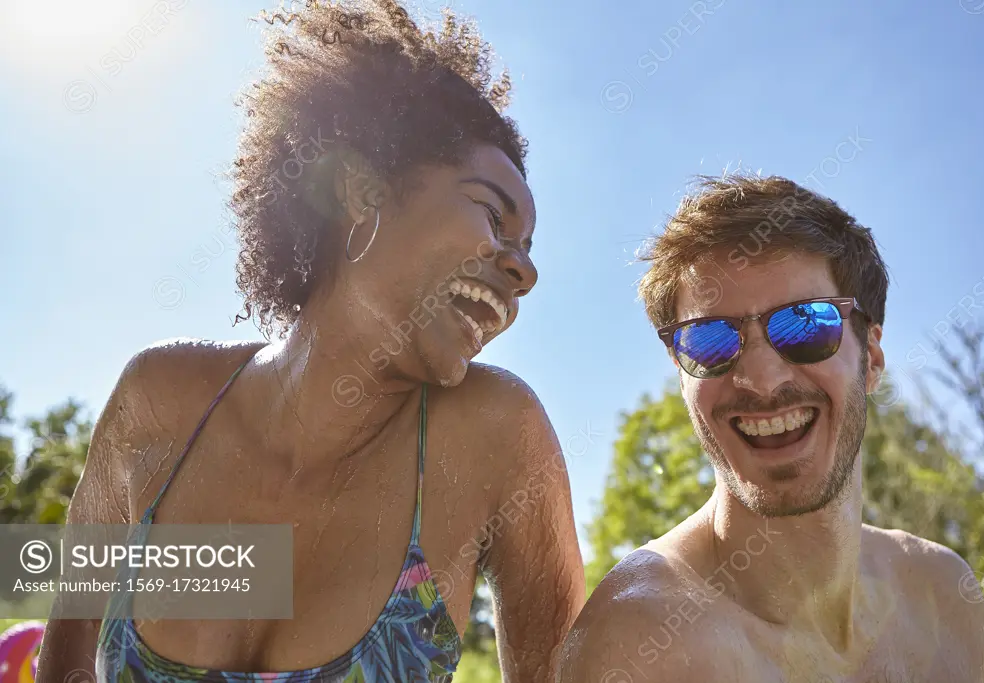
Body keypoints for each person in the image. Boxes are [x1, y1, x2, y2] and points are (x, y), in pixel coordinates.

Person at [35, 2, 585, 681]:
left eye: (527, 249)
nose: (523, 270)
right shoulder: (159, 399)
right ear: (361, 190)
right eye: (493, 216)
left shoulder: (496, 436)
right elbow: (64, 653)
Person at [557, 174, 984, 682]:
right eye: (709, 340)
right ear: (681, 374)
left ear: (872, 357)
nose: (763, 381)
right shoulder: (640, 645)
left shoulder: (944, 596)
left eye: (806, 324)